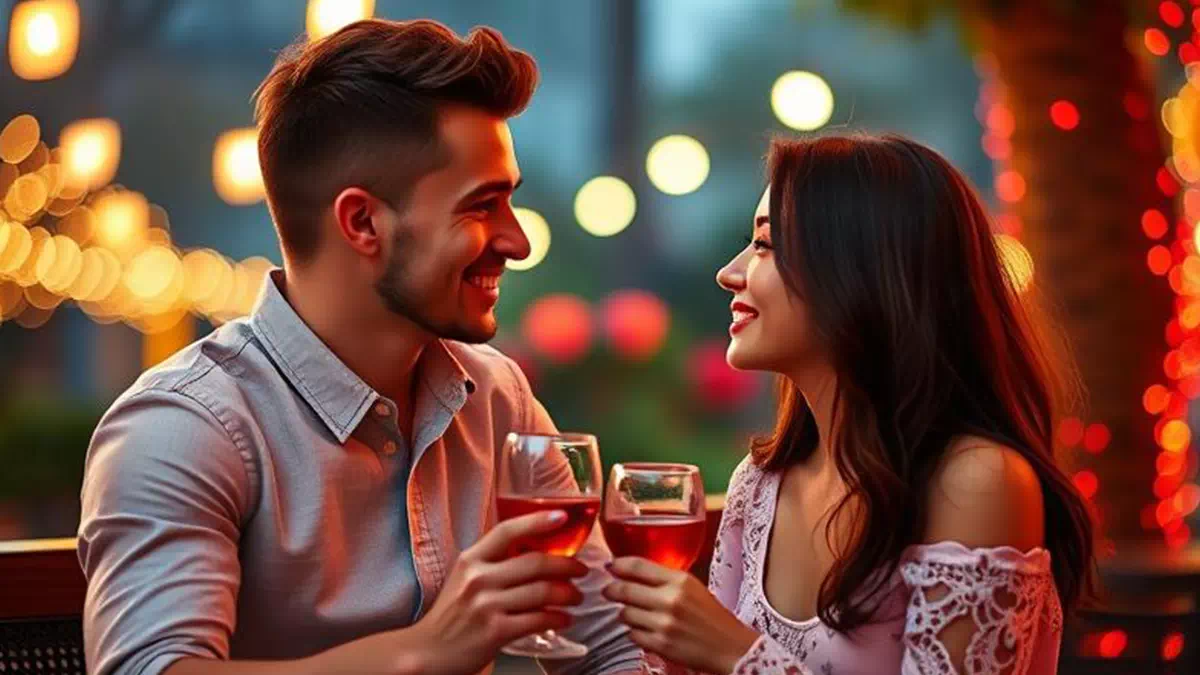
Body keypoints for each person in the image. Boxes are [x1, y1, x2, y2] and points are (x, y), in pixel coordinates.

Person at [77, 19, 644, 675]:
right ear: (362, 222)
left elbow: (614, 649)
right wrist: (422, 652)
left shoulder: (498, 399)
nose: (518, 241)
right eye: (483, 205)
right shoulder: (183, 428)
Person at [603, 134, 1095, 675]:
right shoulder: (760, 484)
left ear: (858, 271)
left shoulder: (976, 483)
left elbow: (730, 657)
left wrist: (736, 655)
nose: (731, 271)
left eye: (765, 245)